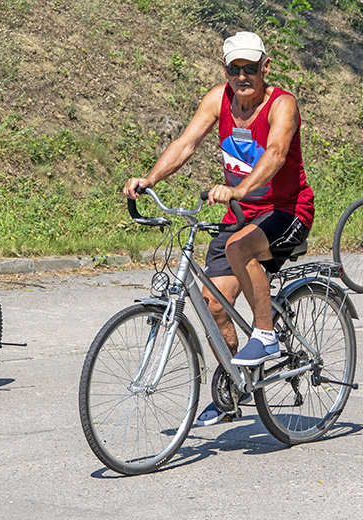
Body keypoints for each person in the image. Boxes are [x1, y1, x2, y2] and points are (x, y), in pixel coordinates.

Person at [124, 32, 315, 425]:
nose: (242, 76)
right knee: (213, 305)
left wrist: (240, 189)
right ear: (225, 70)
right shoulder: (218, 99)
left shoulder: (282, 104)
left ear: (266, 66)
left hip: (286, 209)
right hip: (239, 213)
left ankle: (265, 335)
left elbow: (277, 153)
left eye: (250, 68)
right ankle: (233, 387)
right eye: (234, 69)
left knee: (240, 249)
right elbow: (185, 143)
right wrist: (149, 179)